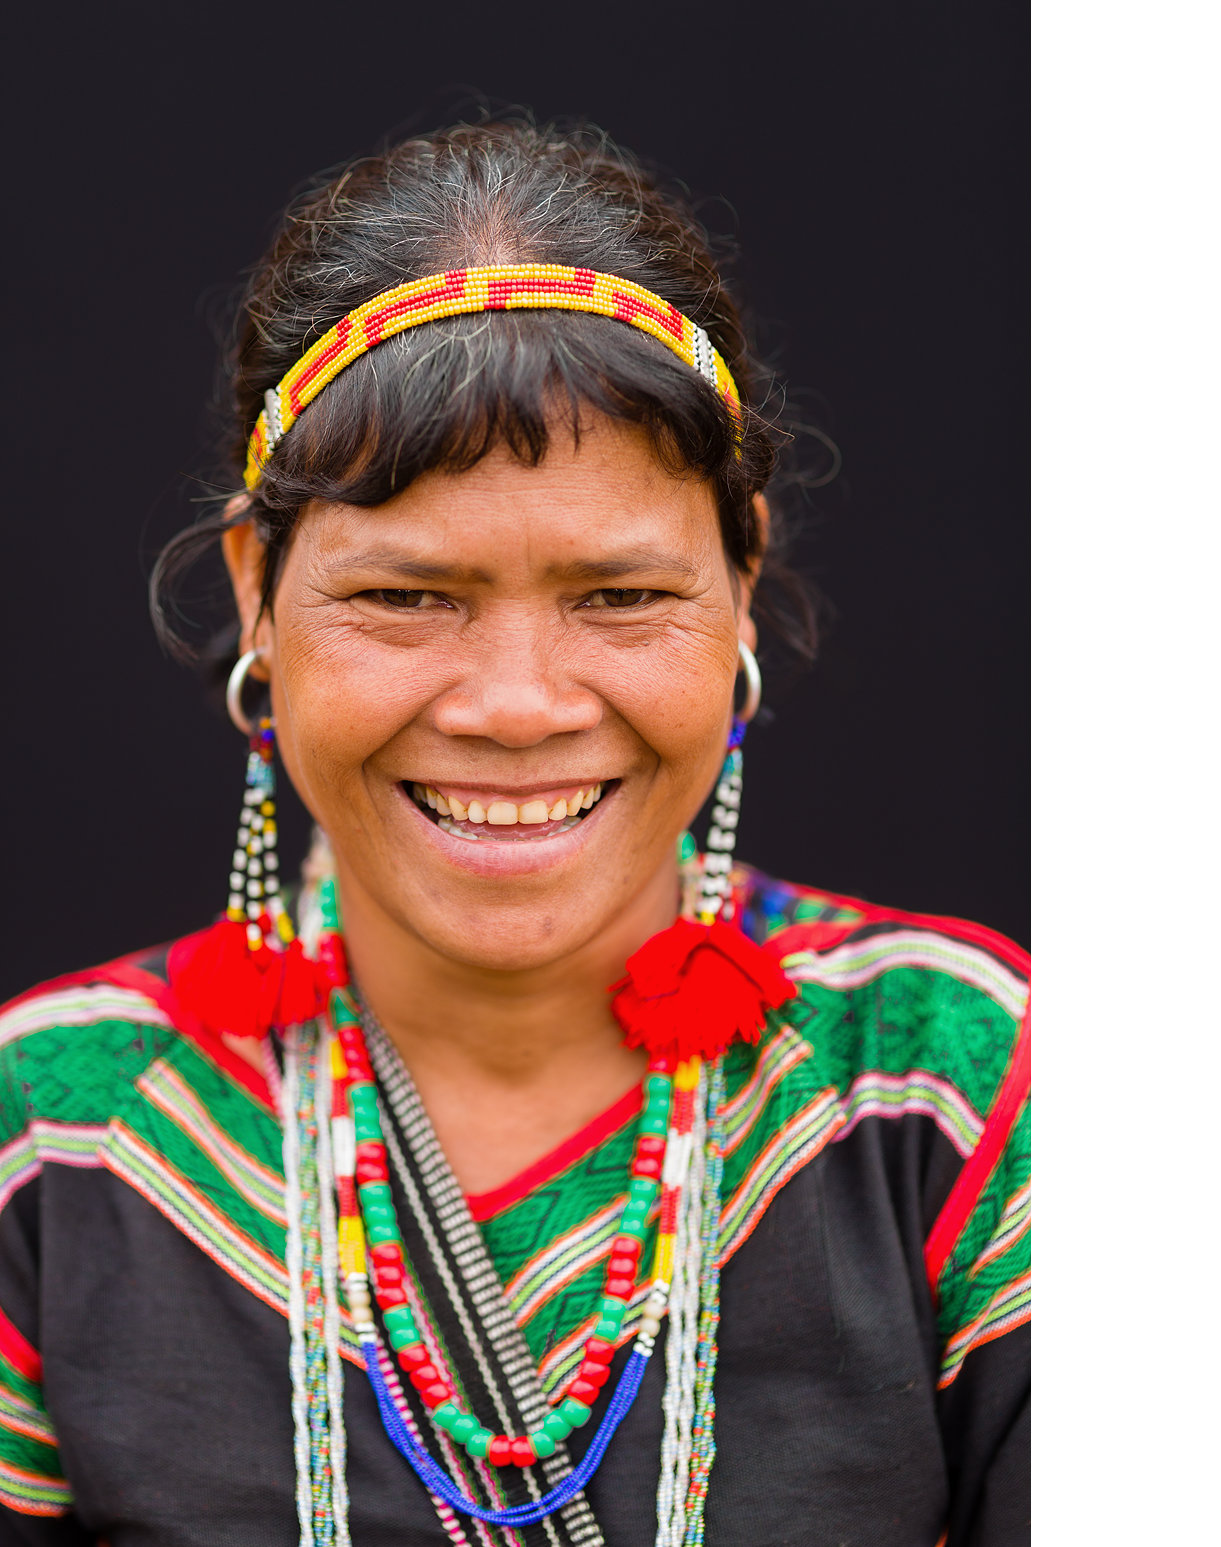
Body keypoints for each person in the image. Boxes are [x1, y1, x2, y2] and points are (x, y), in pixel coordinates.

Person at [0, 120, 1027, 1545]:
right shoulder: (54, 1129)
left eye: (620, 597)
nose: (519, 705)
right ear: (255, 592)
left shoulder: (959, 1088)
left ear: (744, 582)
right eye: (407, 598)